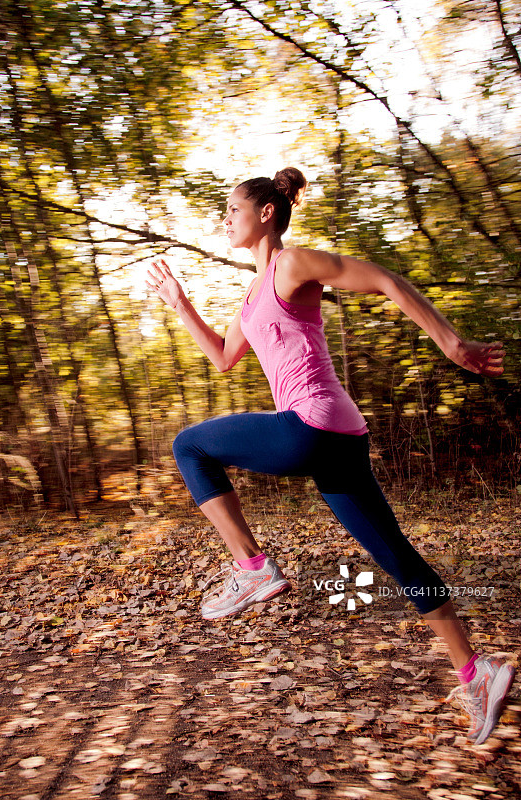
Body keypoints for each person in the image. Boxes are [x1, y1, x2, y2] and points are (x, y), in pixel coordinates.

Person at [146, 167, 515, 745]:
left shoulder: (292, 265)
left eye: (232, 210)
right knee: (397, 558)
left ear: (266, 213)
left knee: (188, 445)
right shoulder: (252, 293)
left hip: (311, 425)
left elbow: (388, 280)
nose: (226, 220)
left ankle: (253, 568)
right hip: (337, 441)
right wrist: (180, 302)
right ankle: (477, 671)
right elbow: (222, 358)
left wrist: (451, 343)